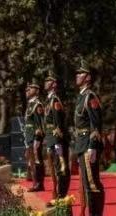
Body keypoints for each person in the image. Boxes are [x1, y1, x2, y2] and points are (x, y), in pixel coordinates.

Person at [74, 60, 105, 216]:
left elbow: (96, 124)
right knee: (87, 183)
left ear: (88, 77)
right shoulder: (81, 97)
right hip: (81, 143)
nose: (77, 76)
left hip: (88, 145)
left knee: (92, 183)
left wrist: (93, 146)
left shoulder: (90, 97)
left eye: (81, 73)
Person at [43, 71, 70, 204]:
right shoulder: (48, 100)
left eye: (48, 81)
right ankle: (58, 194)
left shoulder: (55, 100)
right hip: (51, 138)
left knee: (61, 167)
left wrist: (58, 140)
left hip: (56, 139)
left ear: (54, 84)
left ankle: (61, 195)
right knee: (56, 167)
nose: (45, 83)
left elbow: (58, 121)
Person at [24, 80, 46, 192]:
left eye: (30, 88)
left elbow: (40, 124)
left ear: (37, 91)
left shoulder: (37, 104)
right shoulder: (30, 104)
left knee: (37, 160)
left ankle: (39, 184)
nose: (27, 90)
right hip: (29, 137)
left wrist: (38, 139)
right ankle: (35, 182)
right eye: (27, 89)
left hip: (34, 138)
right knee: (32, 161)